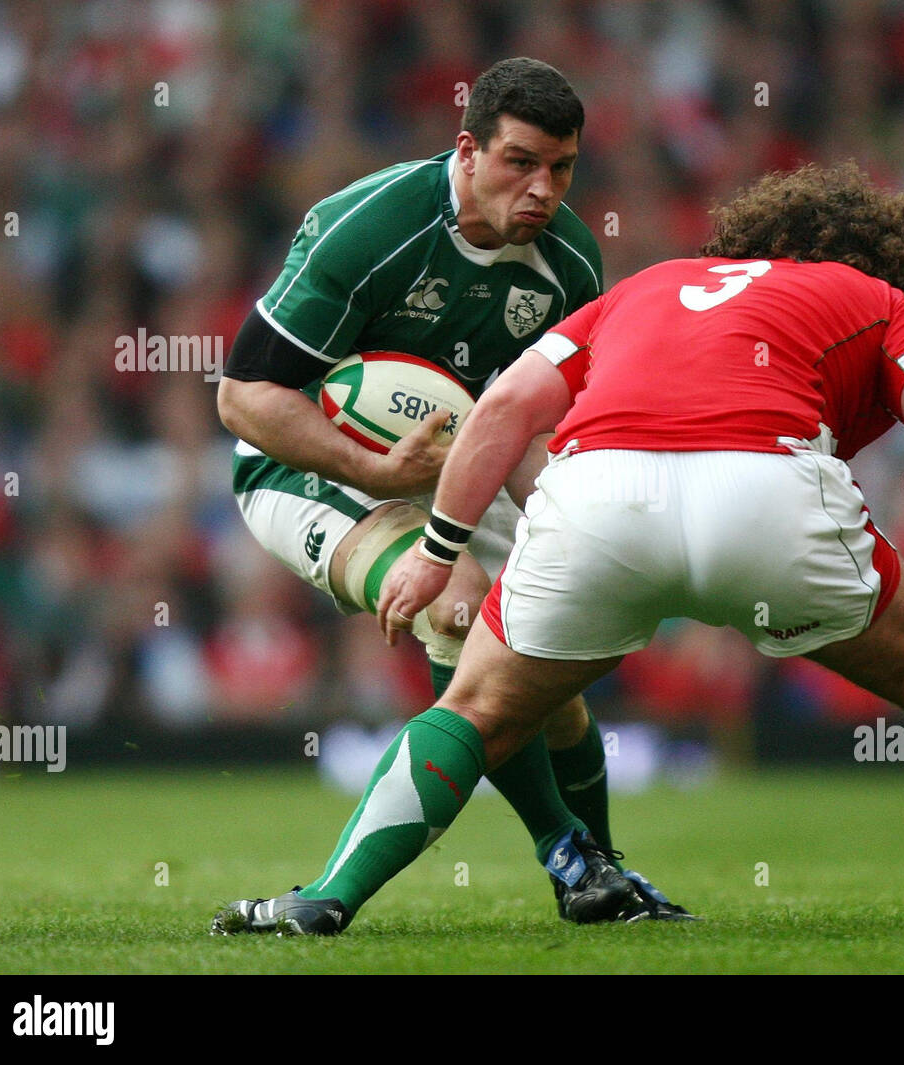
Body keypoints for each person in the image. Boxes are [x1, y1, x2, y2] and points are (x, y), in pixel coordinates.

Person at [351, 161, 904, 928]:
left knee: (475, 709)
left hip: (598, 494)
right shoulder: (876, 298)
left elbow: (500, 411)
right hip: (766, 492)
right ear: (877, 260)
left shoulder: (646, 284)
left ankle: (324, 899)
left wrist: (434, 548)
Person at [211, 58, 689, 936]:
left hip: (456, 472)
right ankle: (571, 853)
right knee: (461, 610)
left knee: (544, 663)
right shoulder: (371, 226)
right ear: (466, 149)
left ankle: (599, 875)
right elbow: (243, 397)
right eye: (520, 162)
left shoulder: (571, 261)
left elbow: (536, 428)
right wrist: (377, 473)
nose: (542, 188)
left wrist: (580, 523)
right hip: (304, 470)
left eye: (562, 167)